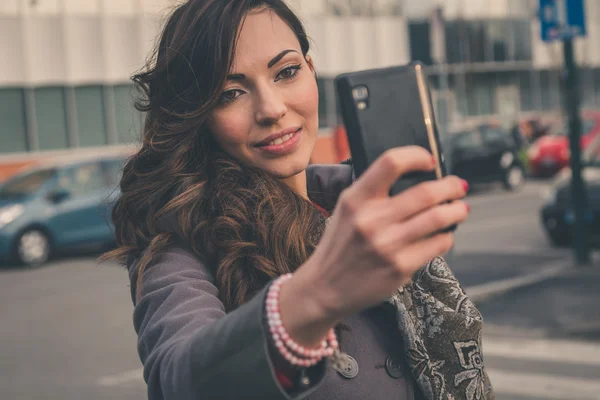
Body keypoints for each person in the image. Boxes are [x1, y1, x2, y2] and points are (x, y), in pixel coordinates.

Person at [104, 1, 495, 399]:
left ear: (310, 69)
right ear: (198, 115)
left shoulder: (360, 203)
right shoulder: (178, 247)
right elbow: (178, 380)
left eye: (286, 72)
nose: (272, 109)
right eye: (230, 93)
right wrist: (318, 293)